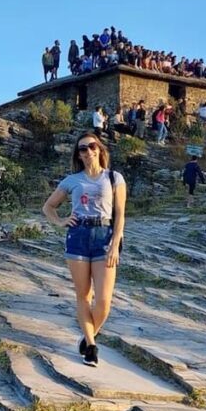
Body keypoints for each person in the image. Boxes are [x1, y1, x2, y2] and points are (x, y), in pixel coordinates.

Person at [42, 133, 127, 368]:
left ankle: (89, 334)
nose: (88, 151)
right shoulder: (72, 180)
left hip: (105, 236)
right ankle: (90, 346)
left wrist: (116, 242)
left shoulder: (114, 177)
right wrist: (60, 221)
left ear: (99, 149)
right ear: (78, 154)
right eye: (82, 149)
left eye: (92, 146)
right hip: (78, 236)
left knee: (104, 301)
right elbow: (48, 207)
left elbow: (120, 213)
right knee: (83, 295)